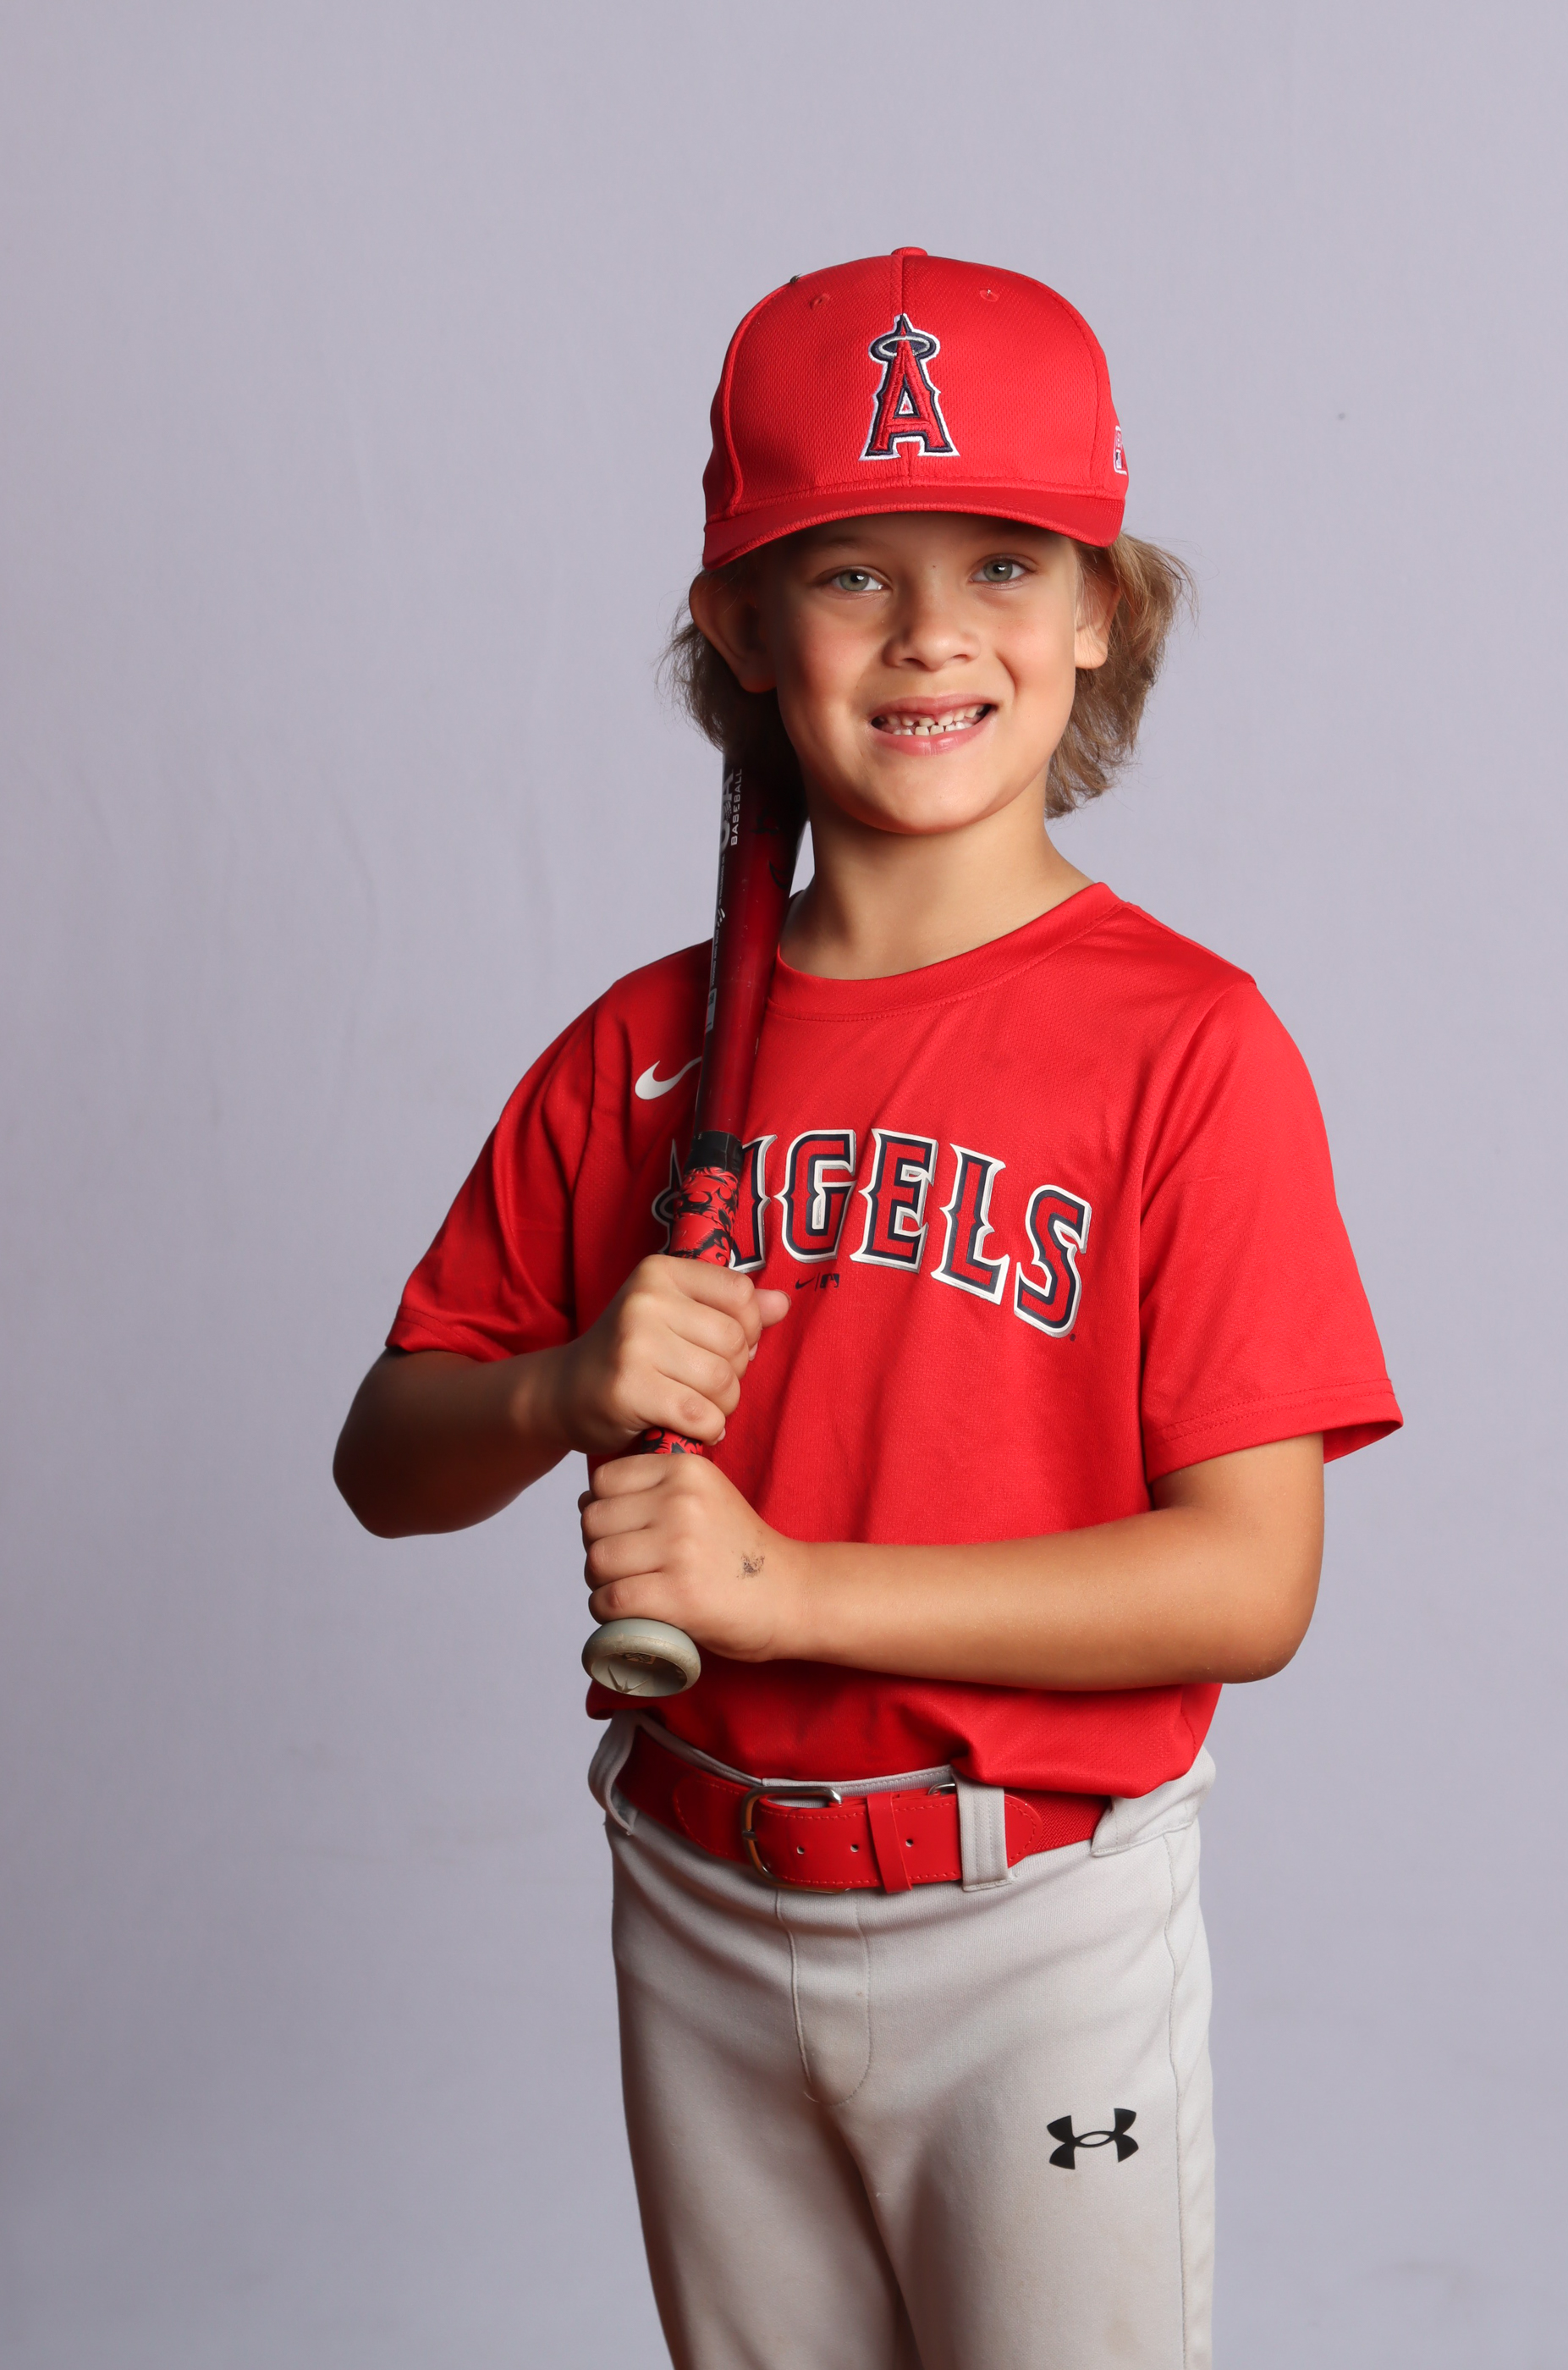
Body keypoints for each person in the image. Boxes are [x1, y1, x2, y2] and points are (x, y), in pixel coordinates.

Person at [334, 246, 1400, 2370]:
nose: (932, 634)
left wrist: (791, 1586)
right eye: (848, 573)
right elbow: (387, 1452)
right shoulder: (643, 1050)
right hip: (697, 1893)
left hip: (1038, 1927)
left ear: (1099, 611)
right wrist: (560, 1385)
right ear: (740, 628)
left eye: (1003, 561)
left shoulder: (1187, 1046)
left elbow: (1249, 1580)